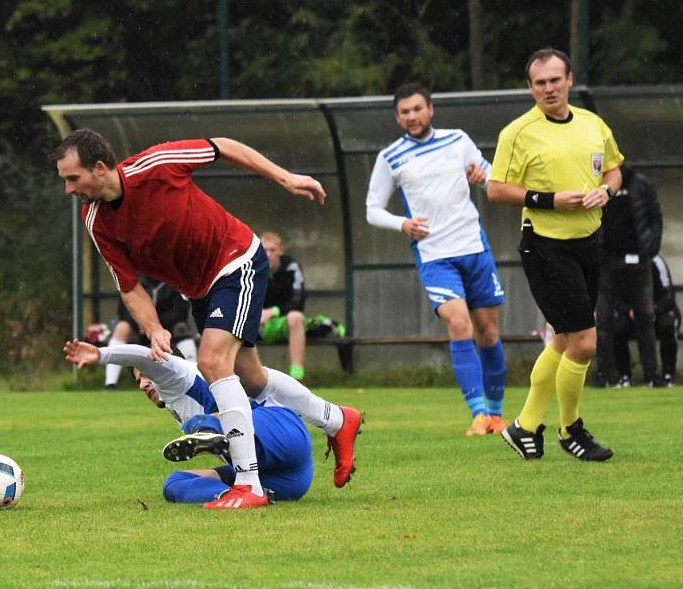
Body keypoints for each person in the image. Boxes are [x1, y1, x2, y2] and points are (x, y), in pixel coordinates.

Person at [53, 129, 362, 508]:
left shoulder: (156, 166)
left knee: (212, 361)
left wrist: (285, 177)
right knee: (251, 379)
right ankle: (336, 419)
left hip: (237, 258)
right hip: (200, 289)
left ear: (99, 168)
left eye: (73, 178)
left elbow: (224, 146)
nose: (69, 189)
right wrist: (153, 329)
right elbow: (129, 286)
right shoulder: (96, 220)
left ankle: (249, 484)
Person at [487, 47, 623, 462]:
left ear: (569, 80)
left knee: (565, 340)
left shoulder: (593, 124)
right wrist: (547, 199)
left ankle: (524, 426)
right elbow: (495, 189)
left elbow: (614, 169)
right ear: (529, 87)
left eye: (555, 80)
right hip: (545, 245)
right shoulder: (517, 132)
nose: (548, 88)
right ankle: (571, 430)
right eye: (539, 82)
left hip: (589, 241)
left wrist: (608, 190)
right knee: (584, 342)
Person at [365, 83, 508, 437]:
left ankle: (496, 414)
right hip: (434, 256)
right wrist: (403, 224)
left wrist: (481, 176)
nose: (412, 116)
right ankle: (477, 415)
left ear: (430, 109)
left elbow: (490, 175)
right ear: (398, 118)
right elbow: (372, 210)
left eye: (417, 109)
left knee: (488, 332)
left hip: (474, 248)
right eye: (404, 112)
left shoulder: (458, 140)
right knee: (460, 324)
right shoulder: (391, 157)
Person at [63, 339, 313, 505]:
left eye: (145, 376)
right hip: (285, 480)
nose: (142, 384)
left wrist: (101, 355)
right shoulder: (175, 401)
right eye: (137, 381)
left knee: (196, 424)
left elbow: (141, 354)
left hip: (281, 434)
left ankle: (207, 431)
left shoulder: (181, 374)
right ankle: (232, 496)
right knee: (174, 484)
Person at [593, 164, 663, 388]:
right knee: (603, 320)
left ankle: (651, 376)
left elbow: (655, 216)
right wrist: (598, 251)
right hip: (607, 262)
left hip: (639, 260)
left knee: (645, 318)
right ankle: (604, 376)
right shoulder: (598, 186)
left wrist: (650, 249)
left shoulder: (640, 183)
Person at [104, 275, 197, 390]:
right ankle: (110, 383)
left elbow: (180, 312)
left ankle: (193, 379)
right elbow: (124, 310)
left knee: (182, 328)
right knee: (122, 328)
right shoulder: (133, 278)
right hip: (139, 329)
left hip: (168, 329)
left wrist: (155, 327)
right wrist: (142, 324)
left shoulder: (174, 278)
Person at [611, 254, 679, 388]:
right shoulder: (619, 263)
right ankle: (625, 376)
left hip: (658, 312)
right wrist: (628, 310)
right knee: (618, 328)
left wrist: (654, 310)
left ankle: (668, 374)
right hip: (632, 314)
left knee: (667, 326)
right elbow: (614, 297)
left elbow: (669, 295)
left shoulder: (656, 261)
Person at [258, 231, 308, 381]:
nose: (268, 255)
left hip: (283, 323)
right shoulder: (253, 268)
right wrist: (257, 314)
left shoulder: (292, 267)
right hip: (259, 326)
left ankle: (297, 377)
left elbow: (299, 302)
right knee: (241, 323)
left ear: (280, 251)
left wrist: (274, 311)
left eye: (272, 250)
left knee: (296, 317)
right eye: (264, 250)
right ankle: (258, 380)